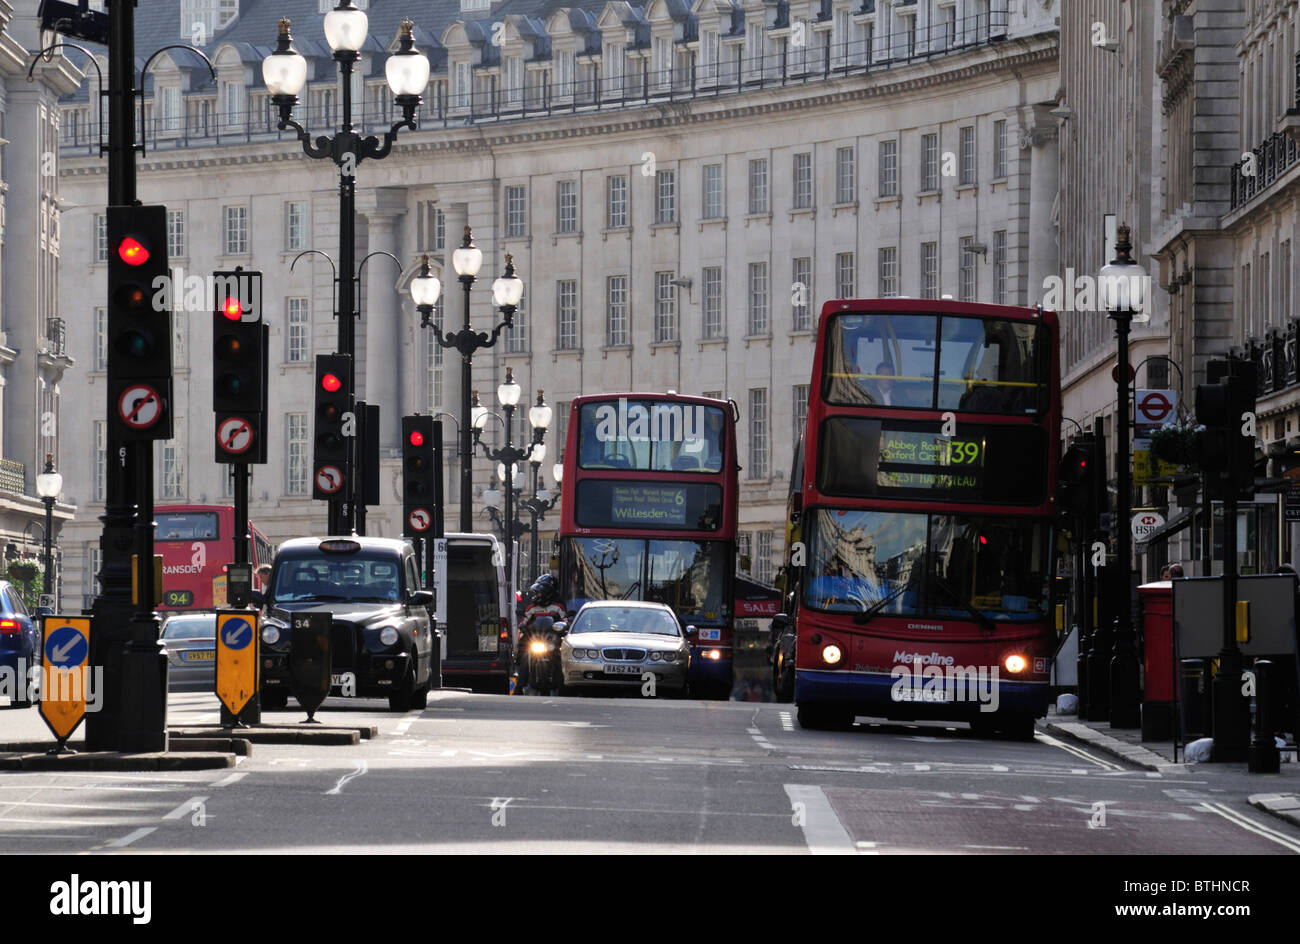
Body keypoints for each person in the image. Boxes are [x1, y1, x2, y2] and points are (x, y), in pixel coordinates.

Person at [514, 573, 566, 694]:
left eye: (539, 592)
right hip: (536, 640)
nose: (537, 595)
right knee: (525, 657)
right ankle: (519, 687)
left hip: (552, 641)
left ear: (547, 592)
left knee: (561, 659)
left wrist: (562, 627)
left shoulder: (558, 607)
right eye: (536, 593)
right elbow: (524, 621)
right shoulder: (531, 608)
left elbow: (565, 621)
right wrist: (523, 626)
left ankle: (564, 686)